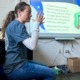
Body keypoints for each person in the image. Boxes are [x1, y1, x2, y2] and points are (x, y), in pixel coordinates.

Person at [2, 1, 56, 80]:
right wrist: (36, 25)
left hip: (18, 63)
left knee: (46, 67)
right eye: (28, 12)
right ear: (19, 12)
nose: (31, 15)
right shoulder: (17, 25)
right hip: (16, 67)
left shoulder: (15, 25)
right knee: (52, 73)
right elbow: (32, 46)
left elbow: (30, 42)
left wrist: (36, 26)